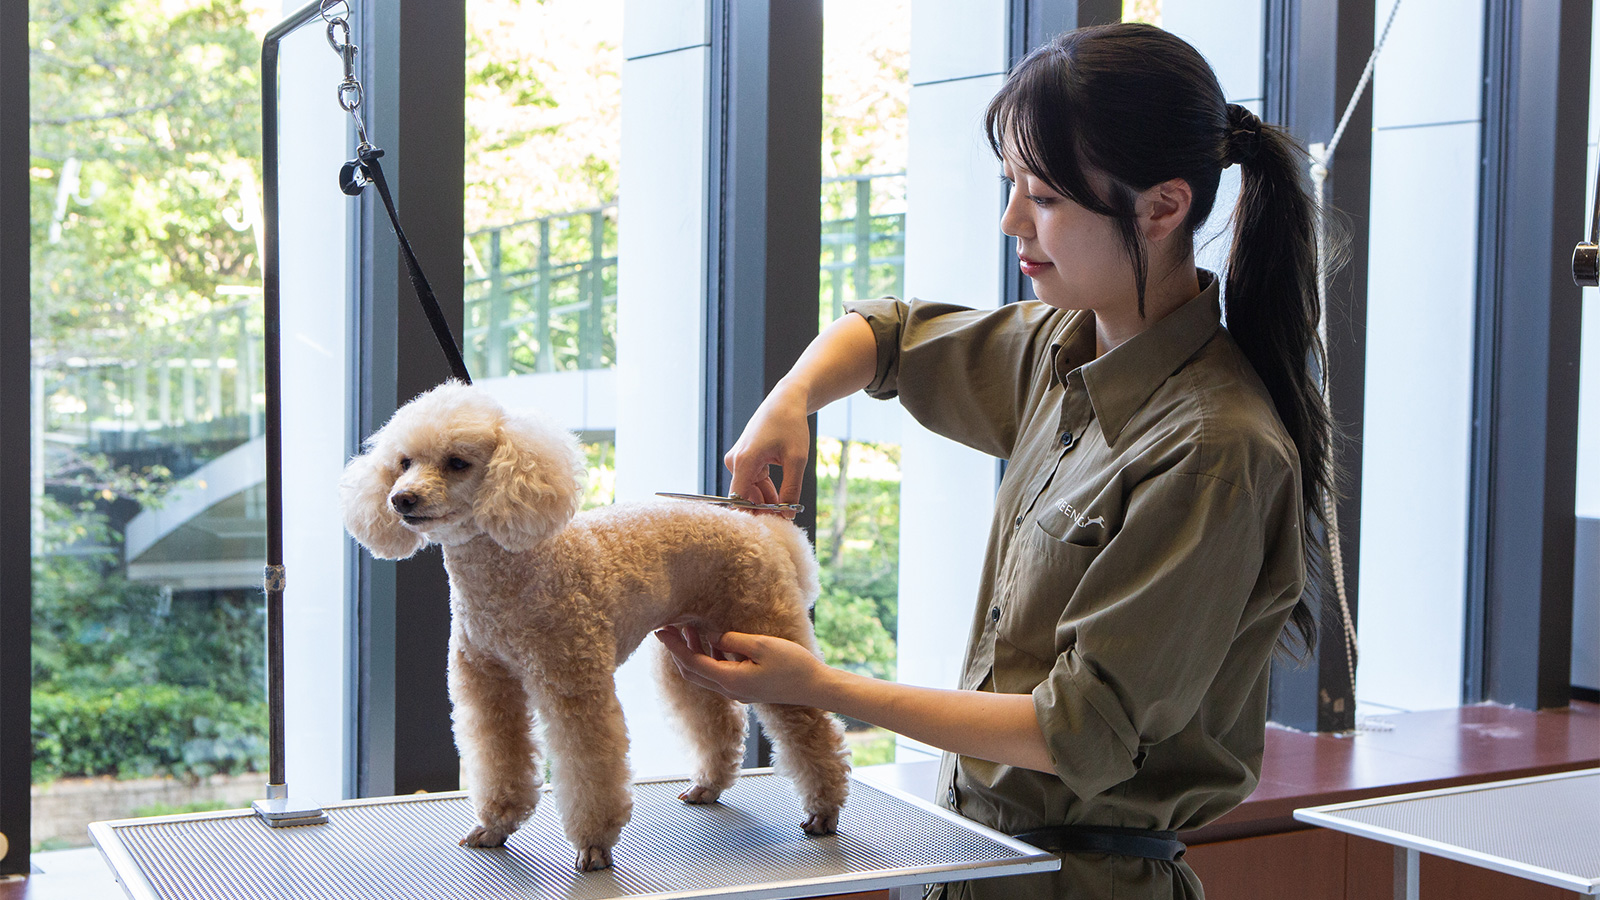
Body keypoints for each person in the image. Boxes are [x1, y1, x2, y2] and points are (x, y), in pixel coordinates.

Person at [656, 21, 1335, 900]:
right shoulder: (1063, 349)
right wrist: (790, 400)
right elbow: (890, 336)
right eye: (1011, 183)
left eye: (1045, 196)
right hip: (982, 863)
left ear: (1163, 207)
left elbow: (1077, 731)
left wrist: (820, 686)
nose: (1012, 220)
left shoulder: (1212, 450)